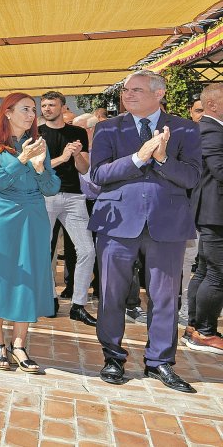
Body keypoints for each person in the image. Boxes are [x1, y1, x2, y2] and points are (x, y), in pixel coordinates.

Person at [91, 70, 201, 393]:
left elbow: (193, 177)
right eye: (126, 90)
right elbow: (98, 173)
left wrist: (164, 158)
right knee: (111, 293)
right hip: (116, 223)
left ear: (159, 93)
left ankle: (160, 362)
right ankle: (113, 357)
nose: (128, 94)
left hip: (167, 224)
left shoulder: (185, 128)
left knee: (166, 296)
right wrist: (138, 159)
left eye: (136, 89)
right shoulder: (107, 128)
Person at [0, 93, 61, 374]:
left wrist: (38, 167)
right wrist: (22, 157)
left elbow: (51, 187)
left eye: (33, 110)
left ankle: (20, 344)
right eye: (25, 109)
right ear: (8, 113)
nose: (31, 115)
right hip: (3, 217)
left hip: (34, 216)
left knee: (29, 276)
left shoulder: (39, 144)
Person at [38, 91, 97, 326]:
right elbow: (37, 168)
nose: (47, 108)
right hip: (45, 196)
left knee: (87, 250)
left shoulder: (77, 132)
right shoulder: (37, 134)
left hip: (74, 197)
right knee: (44, 251)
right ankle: (49, 297)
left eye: (51, 104)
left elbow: (84, 169)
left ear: (63, 107)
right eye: (43, 105)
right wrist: (63, 157)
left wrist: (75, 155)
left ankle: (78, 304)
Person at [187, 83, 223, 352]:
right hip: (215, 213)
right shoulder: (211, 129)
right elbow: (219, 170)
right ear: (212, 104)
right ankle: (205, 331)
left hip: (211, 211)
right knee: (217, 274)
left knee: (204, 270)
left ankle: (194, 326)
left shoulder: (209, 128)